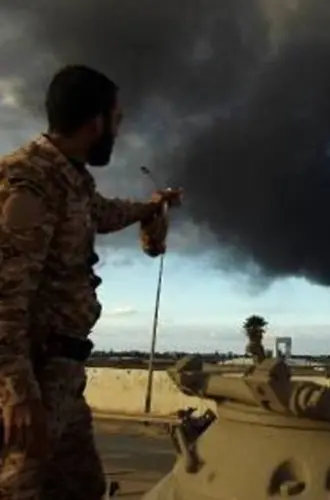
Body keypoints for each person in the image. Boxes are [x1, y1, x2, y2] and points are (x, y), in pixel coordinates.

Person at [0, 65, 182, 499]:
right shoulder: (27, 181)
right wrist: (18, 394)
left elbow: (99, 212)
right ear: (96, 121)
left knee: (81, 487)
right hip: (32, 378)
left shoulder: (71, 178)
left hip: (62, 377)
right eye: (117, 120)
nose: (117, 132)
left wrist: (149, 208)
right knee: (17, 489)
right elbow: (4, 297)